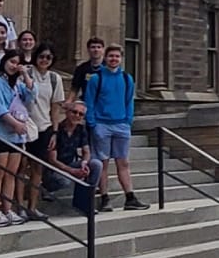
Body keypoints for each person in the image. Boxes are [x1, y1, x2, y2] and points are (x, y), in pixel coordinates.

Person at [84, 45, 149, 212]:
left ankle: (130, 197)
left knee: (123, 162)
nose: (114, 59)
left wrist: (128, 120)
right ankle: (105, 198)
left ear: (121, 59)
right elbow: (89, 102)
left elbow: (129, 102)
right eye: (111, 56)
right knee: (103, 163)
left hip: (121, 125)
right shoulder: (96, 79)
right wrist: (92, 123)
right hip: (101, 125)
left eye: (117, 56)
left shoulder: (127, 79)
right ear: (105, 58)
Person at [0, 49, 32, 226]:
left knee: (11, 174)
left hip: (16, 137)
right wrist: (15, 124)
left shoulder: (16, 84)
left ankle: (7, 208)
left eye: (17, 63)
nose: (14, 66)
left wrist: (25, 75)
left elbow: (30, 97)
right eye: (12, 62)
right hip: (0, 133)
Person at [23, 42, 64, 220]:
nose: (45, 60)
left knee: (37, 170)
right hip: (24, 126)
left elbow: (55, 108)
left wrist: (55, 132)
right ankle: (18, 206)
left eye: (48, 57)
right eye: (41, 56)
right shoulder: (25, 73)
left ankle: (32, 207)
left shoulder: (55, 79)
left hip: (44, 127)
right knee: (20, 168)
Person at [48, 100, 102, 215]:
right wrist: (72, 171)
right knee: (65, 180)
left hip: (70, 164)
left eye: (80, 114)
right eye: (74, 112)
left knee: (96, 164)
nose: (77, 116)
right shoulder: (57, 130)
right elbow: (52, 160)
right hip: (53, 169)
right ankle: (47, 189)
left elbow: (86, 151)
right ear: (67, 112)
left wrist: (84, 163)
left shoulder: (81, 129)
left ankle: (86, 203)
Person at [70, 37, 106, 101]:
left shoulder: (109, 68)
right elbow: (75, 88)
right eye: (93, 47)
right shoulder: (81, 68)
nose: (96, 50)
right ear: (88, 49)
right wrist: (69, 101)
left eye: (99, 47)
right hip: (87, 103)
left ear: (103, 50)